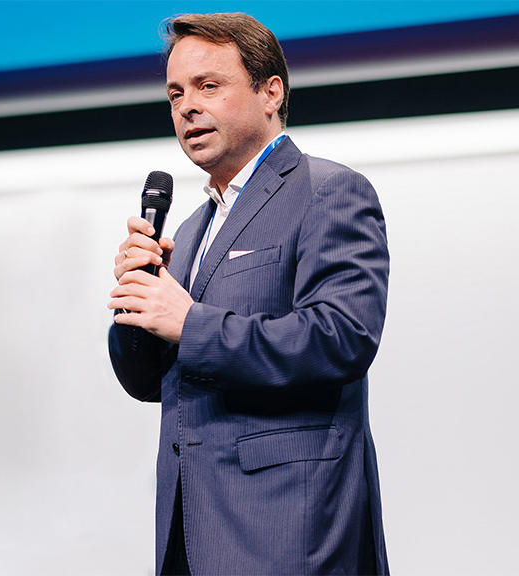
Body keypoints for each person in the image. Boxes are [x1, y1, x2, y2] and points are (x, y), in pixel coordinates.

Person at [107, 12, 390, 576]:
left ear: (270, 92)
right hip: (191, 532)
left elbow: (341, 338)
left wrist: (188, 322)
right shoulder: (189, 231)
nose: (187, 107)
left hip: (288, 535)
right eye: (175, 93)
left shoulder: (329, 191)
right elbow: (149, 382)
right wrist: (136, 303)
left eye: (208, 86)